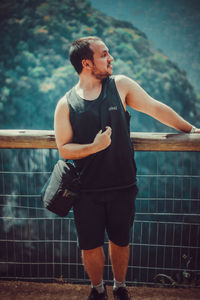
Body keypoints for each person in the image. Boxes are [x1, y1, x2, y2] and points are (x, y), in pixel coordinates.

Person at [54, 36, 200, 300]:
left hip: (123, 184)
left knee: (120, 241)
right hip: (86, 190)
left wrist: (190, 129)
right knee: (89, 245)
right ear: (87, 63)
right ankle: (97, 290)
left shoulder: (120, 86)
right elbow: (64, 148)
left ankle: (120, 287)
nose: (111, 58)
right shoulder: (66, 104)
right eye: (104, 54)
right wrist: (95, 146)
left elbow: (156, 108)